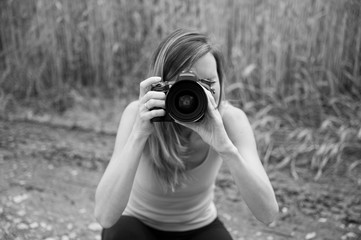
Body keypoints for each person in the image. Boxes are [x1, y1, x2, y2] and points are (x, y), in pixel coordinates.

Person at [94, 29, 279, 240]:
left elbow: (268, 214)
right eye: (184, 87)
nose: (194, 95)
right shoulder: (138, 114)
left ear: (221, 81)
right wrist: (139, 134)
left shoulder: (231, 119)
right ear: (161, 85)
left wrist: (226, 148)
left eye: (207, 82)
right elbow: (104, 217)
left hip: (199, 225)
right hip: (138, 223)